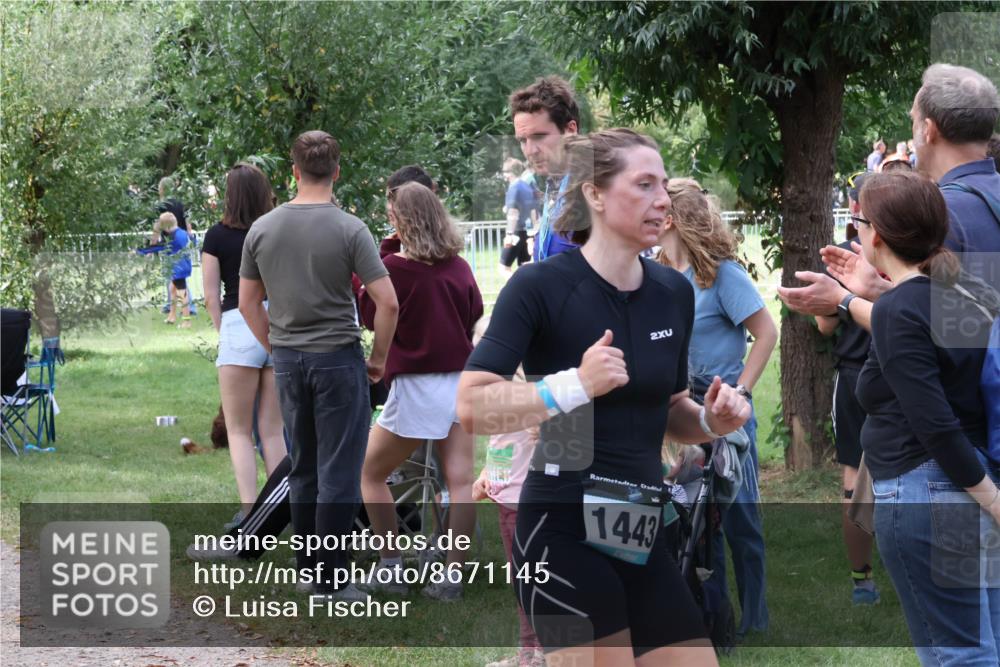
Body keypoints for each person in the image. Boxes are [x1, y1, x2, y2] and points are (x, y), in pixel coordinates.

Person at [458, 128, 751, 666]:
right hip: (557, 528)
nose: (662, 199)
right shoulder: (540, 287)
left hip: (634, 522)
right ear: (595, 193)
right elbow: (471, 406)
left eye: (662, 184)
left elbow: (670, 409)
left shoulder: (672, 293)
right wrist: (574, 385)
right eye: (643, 184)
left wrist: (712, 420)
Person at [239, 130, 399, 601]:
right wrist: (379, 359)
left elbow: (247, 302)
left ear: (294, 172)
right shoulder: (351, 229)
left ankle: (309, 571)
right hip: (337, 360)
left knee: (304, 467)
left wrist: (275, 346)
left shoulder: (262, 228)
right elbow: (388, 303)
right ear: (336, 171)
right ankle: (332, 580)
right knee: (340, 470)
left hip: (289, 361)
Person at [852, 171, 1000, 664]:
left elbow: (935, 424)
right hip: (969, 480)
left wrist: (995, 504)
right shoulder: (965, 293)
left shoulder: (899, 310)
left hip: (929, 491)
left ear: (876, 234)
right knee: (984, 646)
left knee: (959, 655)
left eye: (858, 223)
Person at [778, 63, 1000, 326]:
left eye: (913, 120)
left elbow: (922, 331)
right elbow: (950, 309)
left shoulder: (936, 211)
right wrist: (876, 288)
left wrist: (843, 300)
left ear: (928, 130)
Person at [655, 178, 777, 637]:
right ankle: (714, 615)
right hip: (683, 409)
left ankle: (756, 621)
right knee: (699, 521)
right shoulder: (658, 275)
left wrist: (741, 393)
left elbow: (766, 333)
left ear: (671, 219)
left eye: (656, 207)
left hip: (725, 409)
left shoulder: (722, 275)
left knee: (741, 518)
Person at [358, 182, 483, 602]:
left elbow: (371, 312)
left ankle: (390, 565)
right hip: (461, 381)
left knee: (370, 474)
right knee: (460, 482)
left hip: (416, 384)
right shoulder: (459, 267)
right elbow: (475, 312)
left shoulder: (395, 269)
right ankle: (452, 575)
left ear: (399, 220)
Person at [201, 163, 286, 515]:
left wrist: (224, 331)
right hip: (277, 324)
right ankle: (281, 511)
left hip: (238, 322)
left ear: (230, 195)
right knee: (273, 431)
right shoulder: (277, 229)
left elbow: (210, 296)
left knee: (238, 431)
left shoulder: (216, 236)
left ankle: (251, 513)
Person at [814, 171, 880, 605]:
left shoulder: (842, 255)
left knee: (855, 478)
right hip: (896, 369)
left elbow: (824, 326)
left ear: (855, 209)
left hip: (856, 374)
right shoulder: (918, 247)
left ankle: (863, 581)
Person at [509, 76, 581, 262]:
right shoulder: (555, 185)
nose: (530, 151)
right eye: (523, 140)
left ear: (570, 130)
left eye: (539, 137)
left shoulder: (599, 190)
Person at [157, 176, 198, 316]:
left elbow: (158, 225)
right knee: (175, 277)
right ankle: (171, 305)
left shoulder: (162, 205)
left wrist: (153, 243)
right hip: (182, 241)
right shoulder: (180, 203)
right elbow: (188, 222)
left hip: (170, 243)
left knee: (176, 277)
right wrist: (190, 236)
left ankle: (188, 307)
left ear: (162, 189)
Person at [152, 212, 193, 327]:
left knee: (182, 293)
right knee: (172, 289)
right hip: (182, 265)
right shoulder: (182, 233)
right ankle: (172, 316)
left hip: (178, 268)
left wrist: (141, 251)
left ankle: (186, 321)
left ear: (166, 227)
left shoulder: (173, 237)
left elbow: (159, 246)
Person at [500, 158, 535, 273]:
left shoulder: (514, 187)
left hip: (516, 232)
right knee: (524, 269)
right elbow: (532, 210)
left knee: (503, 268)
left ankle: (514, 286)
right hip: (527, 232)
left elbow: (513, 213)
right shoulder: (526, 186)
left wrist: (509, 234)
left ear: (510, 172)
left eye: (505, 171)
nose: (503, 175)